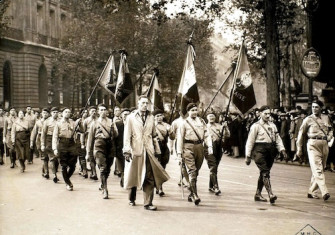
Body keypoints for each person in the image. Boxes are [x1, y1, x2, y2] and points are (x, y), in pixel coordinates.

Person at [123, 95, 169, 211]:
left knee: (149, 177)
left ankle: (148, 203)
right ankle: (131, 197)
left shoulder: (151, 118)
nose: (145, 105)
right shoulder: (131, 118)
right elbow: (127, 136)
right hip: (135, 150)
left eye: (146, 103)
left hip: (148, 151)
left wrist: (157, 151)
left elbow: (154, 136)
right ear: (138, 103)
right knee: (134, 175)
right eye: (142, 103)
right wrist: (127, 151)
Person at [245, 105, 288, 204]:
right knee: (265, 172)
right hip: (259, 151)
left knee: (264, 172)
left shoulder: (273, 125)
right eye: (265, 113)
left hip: (270, 151)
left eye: (269, 113)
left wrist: (282, 150)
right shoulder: (255, 126)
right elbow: (250, 141)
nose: (268, 116)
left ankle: (258, 194)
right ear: (260, 114)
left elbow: (277, 139)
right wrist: (247, 156)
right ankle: (270, 194)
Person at [296, 99, 333, 201]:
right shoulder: (308, 119)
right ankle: (324, 191)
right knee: (317, 169)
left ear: (321, 108)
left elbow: (331, 130)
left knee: (322, 168)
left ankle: (312, 191)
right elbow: (300, 134)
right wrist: (299, 149)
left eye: (316, 107)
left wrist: (329, 136)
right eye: (312, 107)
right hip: (313, 144)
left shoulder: (326, 118)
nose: (314, 109)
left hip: (324, 144)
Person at [177, 103, 213, 205]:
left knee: (196, 171)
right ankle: (195, 195)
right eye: (192, 110)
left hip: (199, 146)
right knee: (192, 171)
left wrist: (209, 146)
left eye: (195, 110)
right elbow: (180, 138)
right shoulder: (184, 123)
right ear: (188, 112)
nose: (194, 112)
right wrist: (179, 154)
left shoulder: (201, 121)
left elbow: (206, 134)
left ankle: (191, 192)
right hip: (188, 147)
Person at [86, 104, 118, 199]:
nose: (103, 111)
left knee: (108, 168)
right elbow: (90, 139)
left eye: (105, 110)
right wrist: (88, 153)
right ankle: (105, 189)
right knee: (103, 168)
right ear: (98, 112)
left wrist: (113, 129)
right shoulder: (94, 123)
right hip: (99, 145)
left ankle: (102, 182)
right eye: (101, 110)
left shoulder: (111, 122)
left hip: (109, 146)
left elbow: (116, 135)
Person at [52, 107, 81, 191]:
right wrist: (55, 149)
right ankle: (68, 183)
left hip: (72, 144)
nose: (68, 113)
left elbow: (81, 130)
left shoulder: (73, 122)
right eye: (66, 112)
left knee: (73, 165)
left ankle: (66, 178)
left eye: (69, 112)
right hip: (62, 144)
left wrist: (80, 123)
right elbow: (55, 137)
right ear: (62, 113)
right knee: (64, 165)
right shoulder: (58, 123)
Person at [205, 111, 230, 195]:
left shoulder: (220, 126)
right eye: (209, 116)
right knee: (213, 166)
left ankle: (210, 185)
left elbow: (227, 136)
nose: (211, 118)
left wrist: (225, 128)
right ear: (207, 118)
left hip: (218, 148)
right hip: (209, 148)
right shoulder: (204, 127)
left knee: (215, 167)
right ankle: (216, 187)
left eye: (213, 116)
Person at [153, 109, 171, 196]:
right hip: (156, 148)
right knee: (158, 167)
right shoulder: (152, 126)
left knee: (163, 167)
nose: (159, 118)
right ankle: (159, 187)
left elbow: (173, 137)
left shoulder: (166, 125)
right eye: (157, 116)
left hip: (164, 148)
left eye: (160, 115)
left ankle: (158, 185)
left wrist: (170, 131)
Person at [41, 107, 60, 183]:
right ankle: (54, 175)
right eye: (54, 112)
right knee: (51, 158)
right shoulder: (47, 122)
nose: (55, 114)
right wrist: (42, 144)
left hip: (58, 140)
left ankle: (47, 172)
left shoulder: (60, 121)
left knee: (57, 158)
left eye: (56, 112)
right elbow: (43, 134)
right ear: (51, 113)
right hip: (49, 140)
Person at [30, 108, 49, 178]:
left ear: (48, 114)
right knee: (44, 156)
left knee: (47, 157)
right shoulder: (38, 122)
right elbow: (34, 132)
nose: (45, 114)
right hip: (39, 139)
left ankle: (44, 171)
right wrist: (31, 142)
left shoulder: (50, 121)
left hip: (48, 139)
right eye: (43, 113)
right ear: (41, 114)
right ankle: (46, 172)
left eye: (46, 113)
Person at [114, 108, 130, 188]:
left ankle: (125, 179)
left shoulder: (132, 124)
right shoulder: (117, 124)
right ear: (121, 115)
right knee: (122, 166)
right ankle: (123, 179)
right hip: (119, 149)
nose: (126, 116)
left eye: (128, 114)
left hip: (130, 149)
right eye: (125, 114)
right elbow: (114, 138)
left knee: (128, 166)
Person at [81, 106, 98, 180]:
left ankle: (93, 172)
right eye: (92, 111)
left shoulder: (98, 120)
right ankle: (93, 173)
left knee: (96, 156)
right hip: (88, 139)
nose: (94, 112)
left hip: (97, 139)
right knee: (90, 156)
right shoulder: (86, 121)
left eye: (95, 111)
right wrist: (82, 143)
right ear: (89, 112)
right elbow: (83, 133)